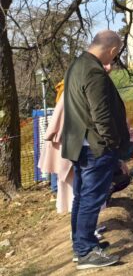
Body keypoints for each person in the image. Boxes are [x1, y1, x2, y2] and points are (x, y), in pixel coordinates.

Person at [63, 30, 130, 269]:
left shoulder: (78, 65)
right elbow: (101, 116)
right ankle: (85, 252)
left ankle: (82, 243)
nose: (115, 58)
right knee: (91, 200)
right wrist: (114, 149)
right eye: (116, 54)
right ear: (112, 50)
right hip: (95, 147)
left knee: (82, 198)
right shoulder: (94, 73)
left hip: (78, 143)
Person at [37, 81, 74, 214]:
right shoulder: (70, 92)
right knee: (65, 173)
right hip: (64, 138)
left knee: (62, 173)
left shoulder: (65, 90)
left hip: (62, 138)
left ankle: (65, 201)